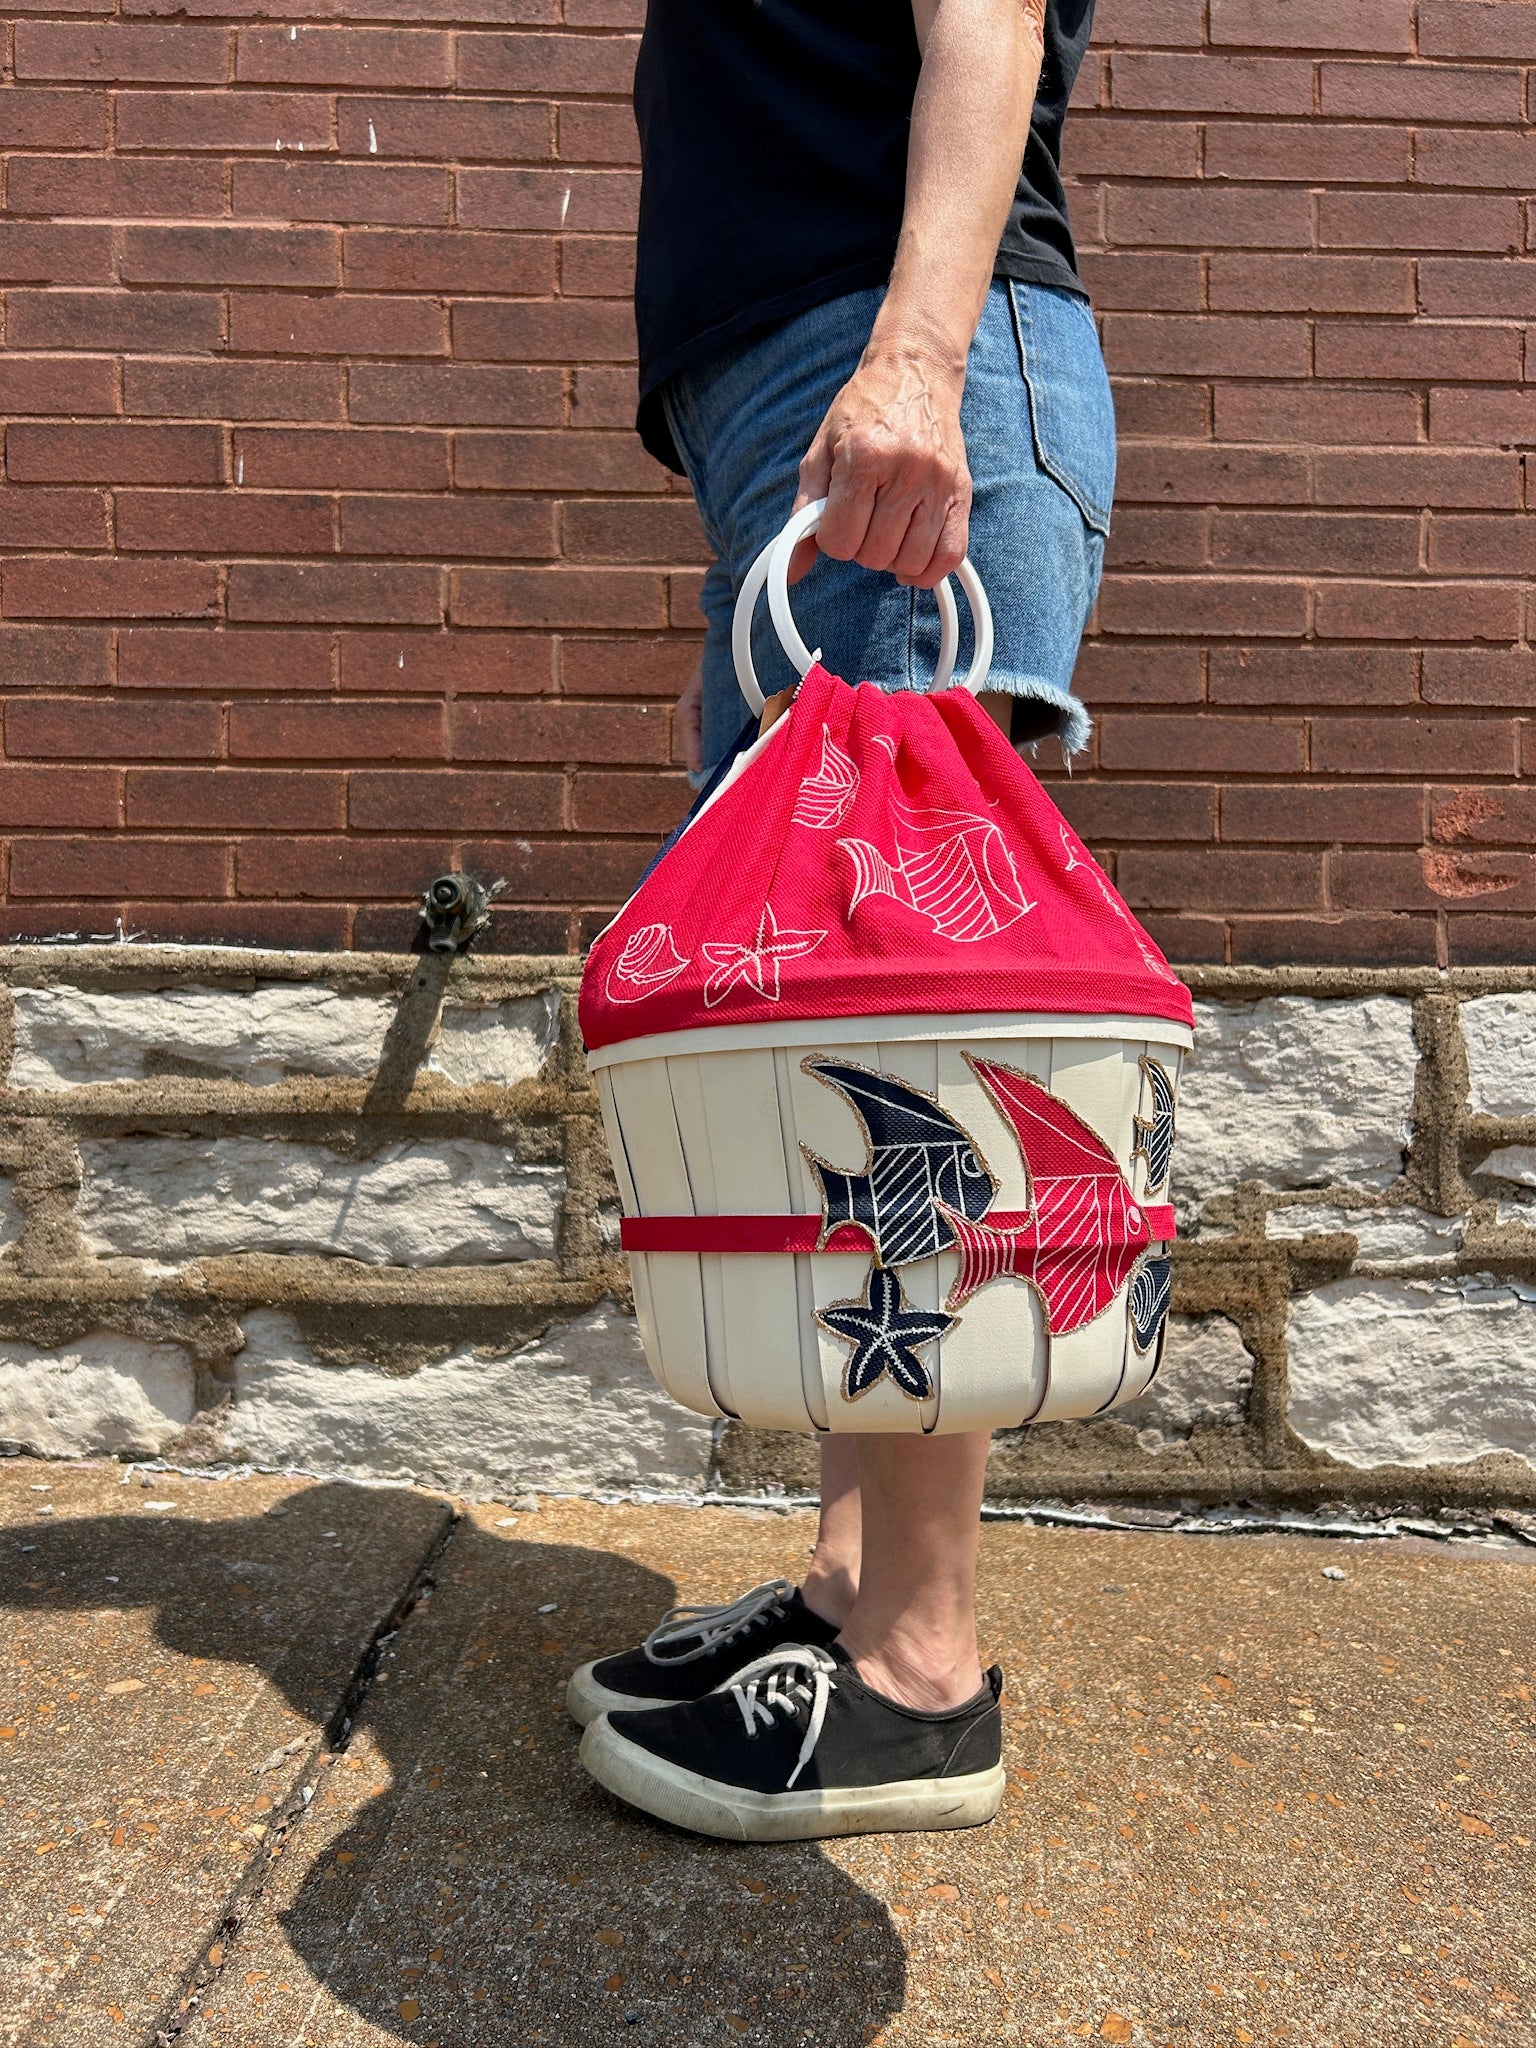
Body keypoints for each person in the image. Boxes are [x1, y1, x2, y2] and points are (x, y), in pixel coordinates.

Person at [572, 0, 1110, 1842]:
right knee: (825, 1039)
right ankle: (842, 1590)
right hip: (795, 404)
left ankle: (923, 1670)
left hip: (886, 378)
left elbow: (990, 20)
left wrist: (914, 361)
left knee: (911, 1037)